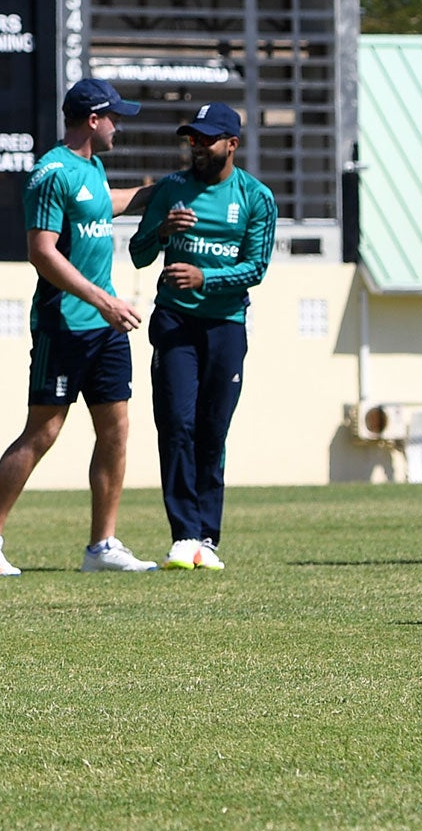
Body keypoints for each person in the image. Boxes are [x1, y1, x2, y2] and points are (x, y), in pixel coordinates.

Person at [0, 80, 158, 576]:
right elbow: (41, 251)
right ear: (93, 119)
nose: (120, 125)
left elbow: (110, 203)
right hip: (64, 325)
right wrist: (104, 300)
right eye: (115, 117)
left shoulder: (90, 168)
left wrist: (171, 188)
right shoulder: (52, 172)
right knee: (42, 431)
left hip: (105, 328)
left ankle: (102, 547)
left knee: (116, 431)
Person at [128, 102, 278, 571]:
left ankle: (207, 539)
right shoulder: (169, 189)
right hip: (174, 322)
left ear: (231, 144)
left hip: (226, 326)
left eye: (205, 139)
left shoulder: (256, 197)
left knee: (213, 430)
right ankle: (183, 535)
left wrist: (205, 279)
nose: (195, 146)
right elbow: (136, 254)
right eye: (190, 138)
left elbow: (256, 267)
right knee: (176, 425)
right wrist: (160, 229)